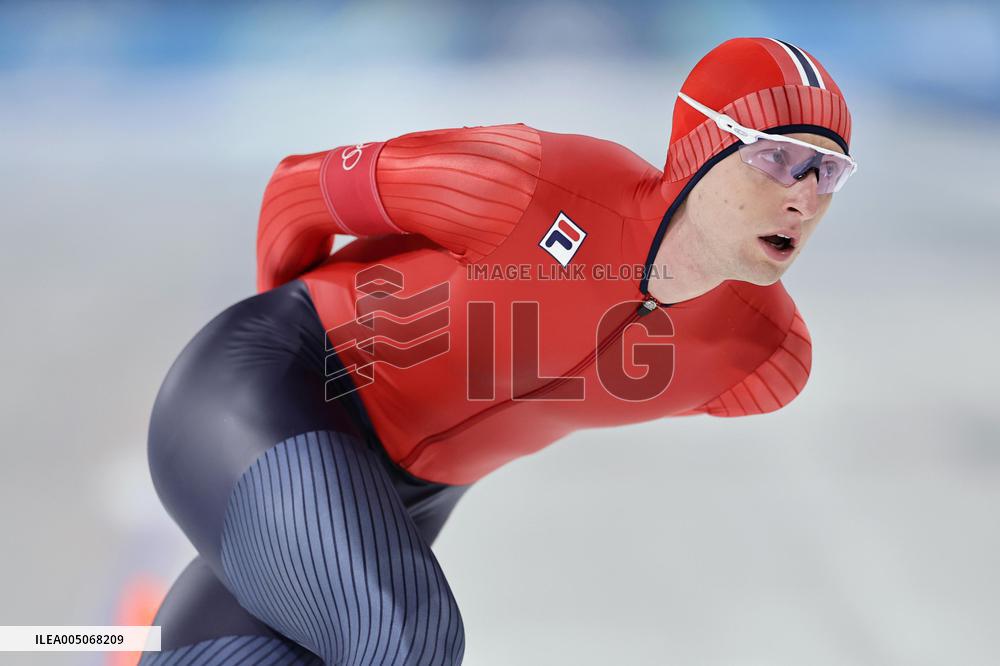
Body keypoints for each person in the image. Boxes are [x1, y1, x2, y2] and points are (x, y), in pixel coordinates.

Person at [142, 36, 856, 665]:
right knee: (404, 637)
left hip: (401, 496)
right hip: (268, 388)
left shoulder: (765, 359)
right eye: (779, 159)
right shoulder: (527, 182)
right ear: (703, 144)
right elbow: (299, 190)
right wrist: (272, 365)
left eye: (828, 172)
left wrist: (340, 511)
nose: (804, 197)